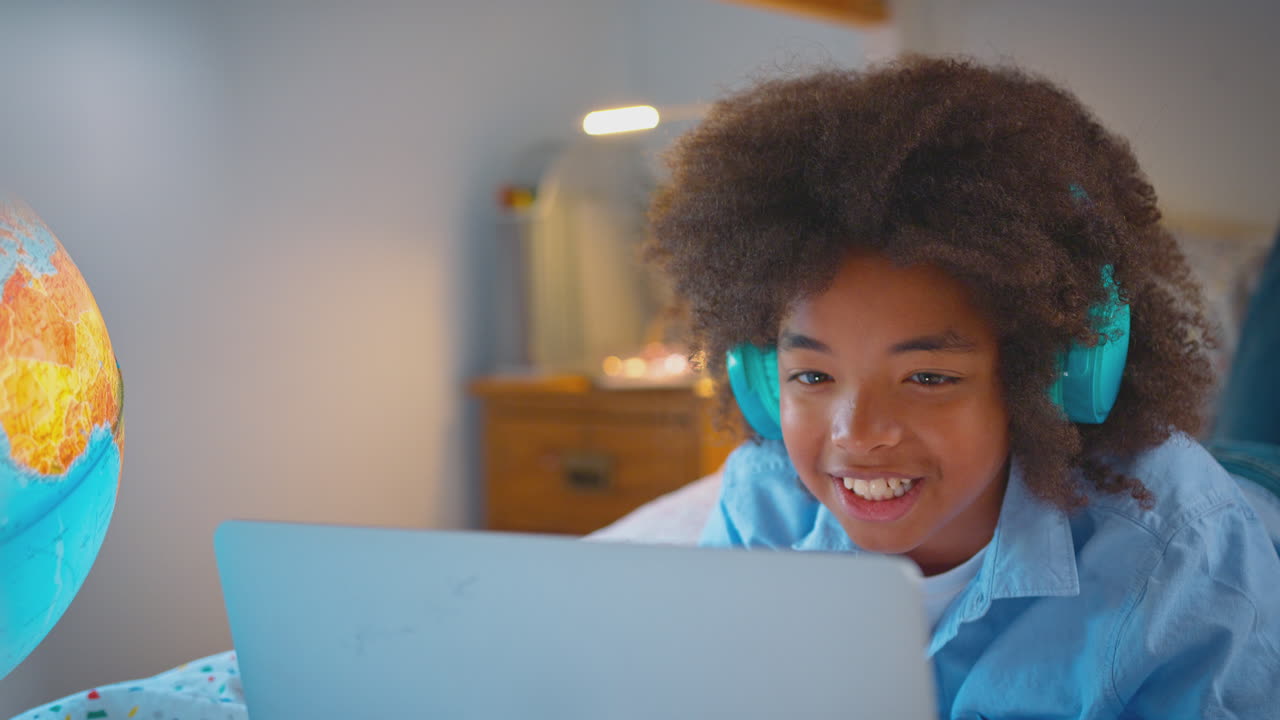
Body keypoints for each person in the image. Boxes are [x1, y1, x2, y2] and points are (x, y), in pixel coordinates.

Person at [645, 57, 1280, 719]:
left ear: (1048, 377)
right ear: (760, 376)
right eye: (813, 375)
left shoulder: (1177, 550)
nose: (857, 433)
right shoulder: (762, 505)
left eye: (927, 377)